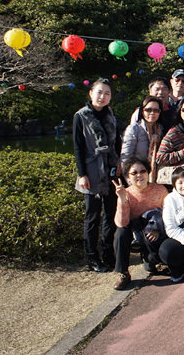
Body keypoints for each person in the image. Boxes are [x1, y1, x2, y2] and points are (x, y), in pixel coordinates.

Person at [73, 78, 118, 273]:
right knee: (92, 216)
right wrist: (82, 174)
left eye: (107, 93)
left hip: (110, 169)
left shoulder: (110, 114)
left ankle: (109, 254)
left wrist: (118, 162)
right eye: (99, 92)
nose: (103, 96)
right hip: (92, 169)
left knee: (110, 214)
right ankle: (92, 258)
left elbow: (116, 142)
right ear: (91, 93)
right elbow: (78, 147)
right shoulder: (81, 116)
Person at [111, 157, 168, 290]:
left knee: (152, 262)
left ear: (148, 173)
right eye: (134, 173)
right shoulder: (126, 193)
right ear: (127, 177)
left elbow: (168, 216)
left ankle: (151, 259)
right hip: (135, 230)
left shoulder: (161, 190)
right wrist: (122, 200)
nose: (139, 175)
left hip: (155, 228)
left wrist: (158, 229)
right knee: (120, 233)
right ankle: (123, 273)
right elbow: (121, 223)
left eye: (143, 171)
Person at [121, 96, 163, 171]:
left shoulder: (160, 130)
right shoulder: (134, 129)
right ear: (142, 111)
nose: (152, 113)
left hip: (154, 173)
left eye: (156, 110)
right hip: (136, 173)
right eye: (148, 110)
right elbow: (126, 157)